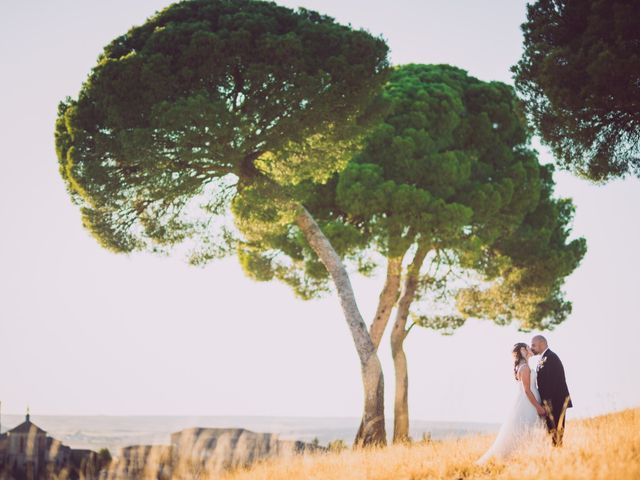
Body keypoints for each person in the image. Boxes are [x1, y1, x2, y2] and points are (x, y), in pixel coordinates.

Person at [476, 343, 546, 464]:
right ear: (523, 350)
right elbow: (527, 390)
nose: (531, 349)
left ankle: (526, 457)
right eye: (528, 347)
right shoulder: (524, 368)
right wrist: (538, 407)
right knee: (526, 429)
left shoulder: (524, 365)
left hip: (528, 402)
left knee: (526, 430)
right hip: (528, 403)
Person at [530, 335, 572, 446]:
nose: (531, 348)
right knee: (551, 432)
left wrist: (546, 404)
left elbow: (551, 384)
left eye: (533, 345)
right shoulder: (543, 358)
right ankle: (555, 455)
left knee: (556, 433)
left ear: (542, 343)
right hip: (551, 402)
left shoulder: (551, 357)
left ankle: (558, 454)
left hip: (556, 402)